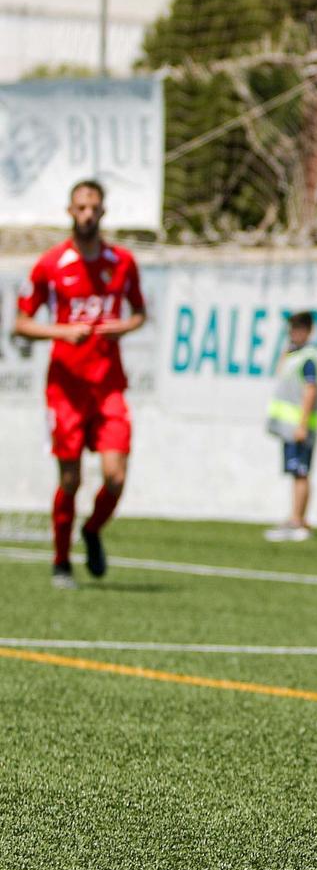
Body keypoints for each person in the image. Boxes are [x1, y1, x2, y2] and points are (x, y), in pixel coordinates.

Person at [11, 180, 147, 589]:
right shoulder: (51, 265)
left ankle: (92, 530)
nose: (87, 214)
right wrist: (60, 332)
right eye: (80, 207)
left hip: (108, 386)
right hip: (66, 388)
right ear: (70, 212)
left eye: (94, 208)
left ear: (103, 212)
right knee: (69, 479)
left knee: (116, 476)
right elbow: (20, 323)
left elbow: (139, 313)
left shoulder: (122, 262)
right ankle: (60, 561)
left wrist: (121, 327)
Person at [264, 310, 317, 542]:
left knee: (301, 472)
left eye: (297, 329)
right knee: (295, 472)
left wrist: (302, 424)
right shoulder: (293, 355)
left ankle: (299, 521)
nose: (293, 334)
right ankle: (296, 517)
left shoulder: (308, 357)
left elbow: (310, 390)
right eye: (291, 329)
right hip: (289, 427)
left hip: (299, 427)